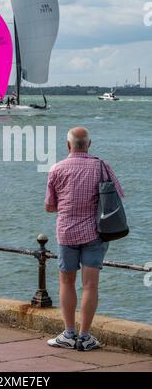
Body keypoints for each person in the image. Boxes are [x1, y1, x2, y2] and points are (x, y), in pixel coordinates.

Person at [45, 127, 124, 351]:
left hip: (66, 232)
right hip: (95, 233)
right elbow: (117, 195)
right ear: (89, 144)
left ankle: (68, 334)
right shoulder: (101, 166)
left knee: (66, 282)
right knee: (90, 285)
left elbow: (49, 207)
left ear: (68, 145)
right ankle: (85, 336)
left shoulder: (57, 169)